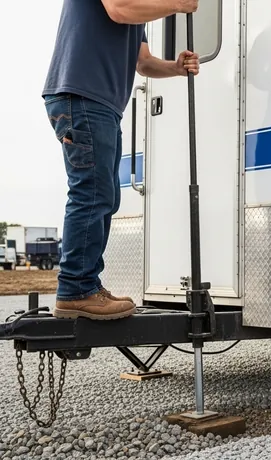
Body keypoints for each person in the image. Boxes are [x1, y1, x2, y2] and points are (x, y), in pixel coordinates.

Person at [42, 0, 201, 320]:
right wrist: (178, 5)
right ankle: (76, 290)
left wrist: (175, 67)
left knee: (104, 195)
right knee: (91, 192)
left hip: (99, 103)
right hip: (83, 95)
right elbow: (119, 9)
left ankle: (85, 285)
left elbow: (142, 62)